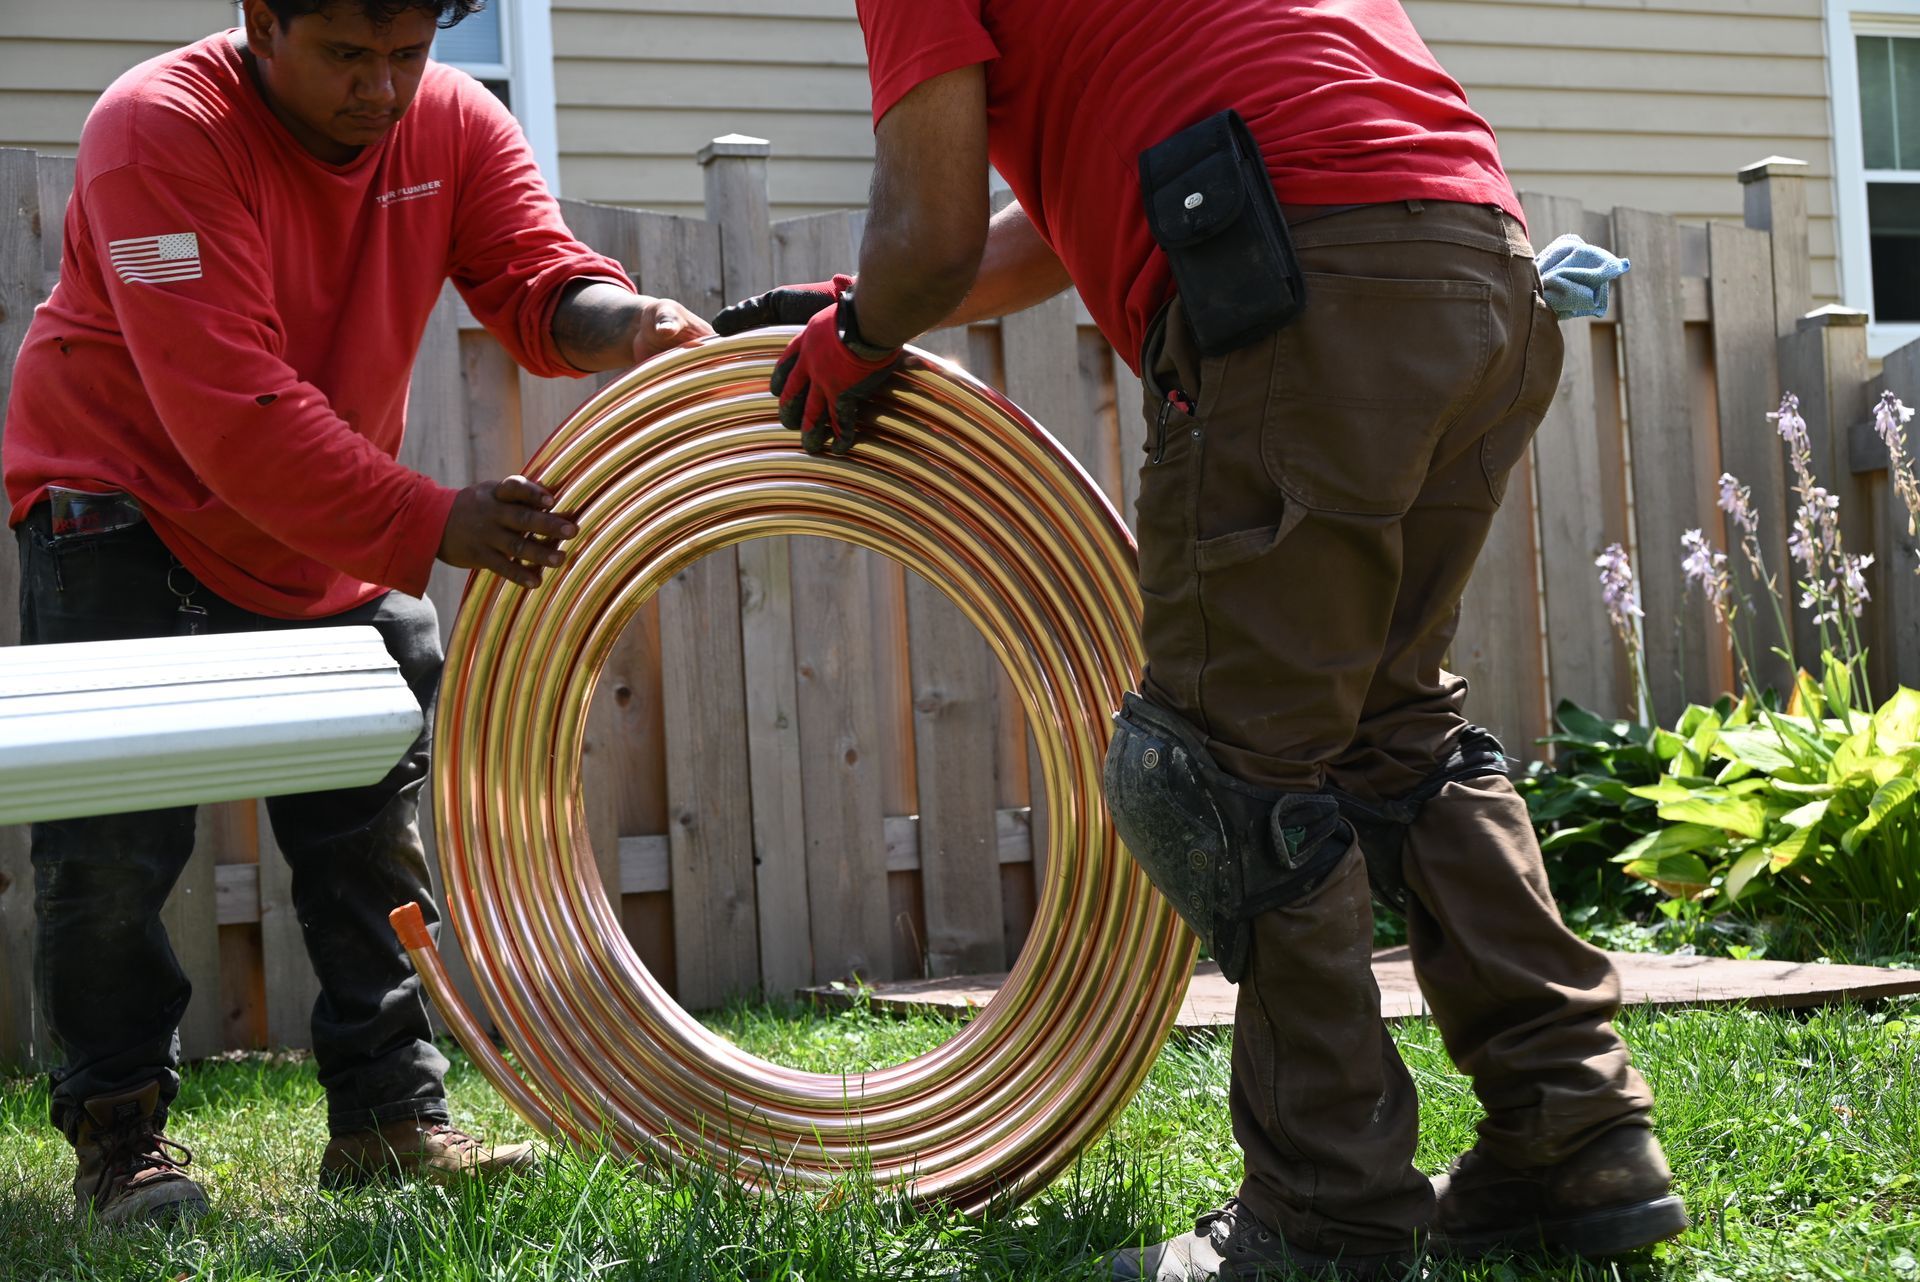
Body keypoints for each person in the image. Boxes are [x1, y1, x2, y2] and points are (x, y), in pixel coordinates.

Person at [710, 1, 1687, 1277]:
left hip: (1303, 278)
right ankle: (1580, 1140)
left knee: (1227, 770)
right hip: (1470, 255)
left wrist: (855, 337)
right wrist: (865, 309)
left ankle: (1323, 1218)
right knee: (1399, 734)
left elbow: (930, 233)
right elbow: (1030, 235)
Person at [2, 0, 710, 1227]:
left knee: (367, 835)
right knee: (111, 854)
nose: (383, 90)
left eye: (407, 51)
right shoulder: (156, 131)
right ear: (261, 22)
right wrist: (436, 520)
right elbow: (230, 411)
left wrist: (626, 324)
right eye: (346, 54)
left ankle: (389, 1116)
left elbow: (536, 282)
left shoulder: (450, 121)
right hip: (123, 500)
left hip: (310, 518)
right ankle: (120, 1136)